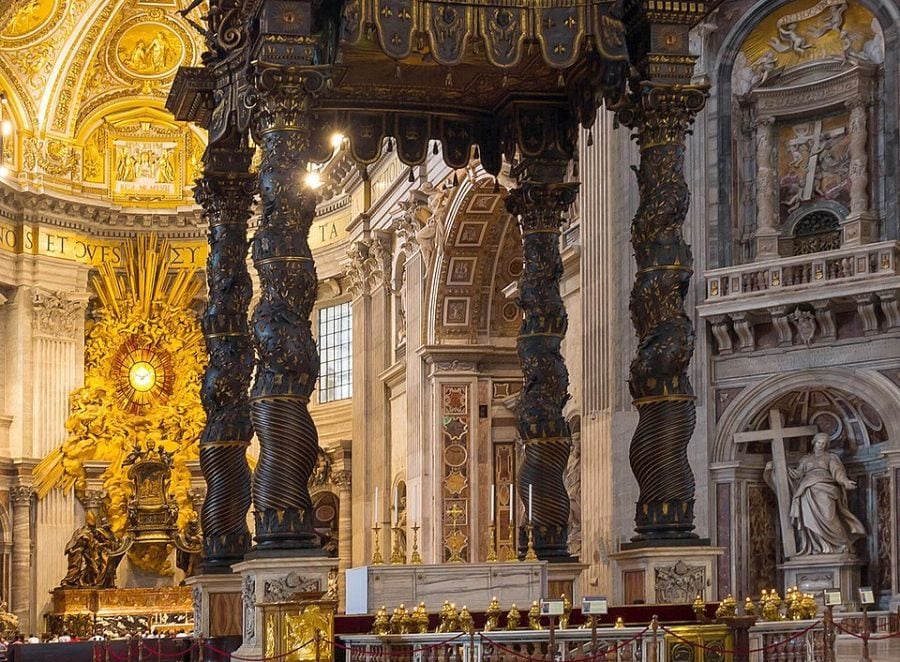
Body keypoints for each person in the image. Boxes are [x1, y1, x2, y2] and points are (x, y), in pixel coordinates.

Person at [788, 432, 866, 555]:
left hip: (825, 489)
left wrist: (845, 482)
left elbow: (838, 472)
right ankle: (817, 546)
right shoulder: (806, 459)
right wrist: (781, 468)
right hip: (807, 491)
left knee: (829, 517)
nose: (821, 445)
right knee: (810, 519)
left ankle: (841, 543)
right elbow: (798, 474)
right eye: (819, 442)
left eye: (823, 443)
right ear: (814, 442)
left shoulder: (830, 458)